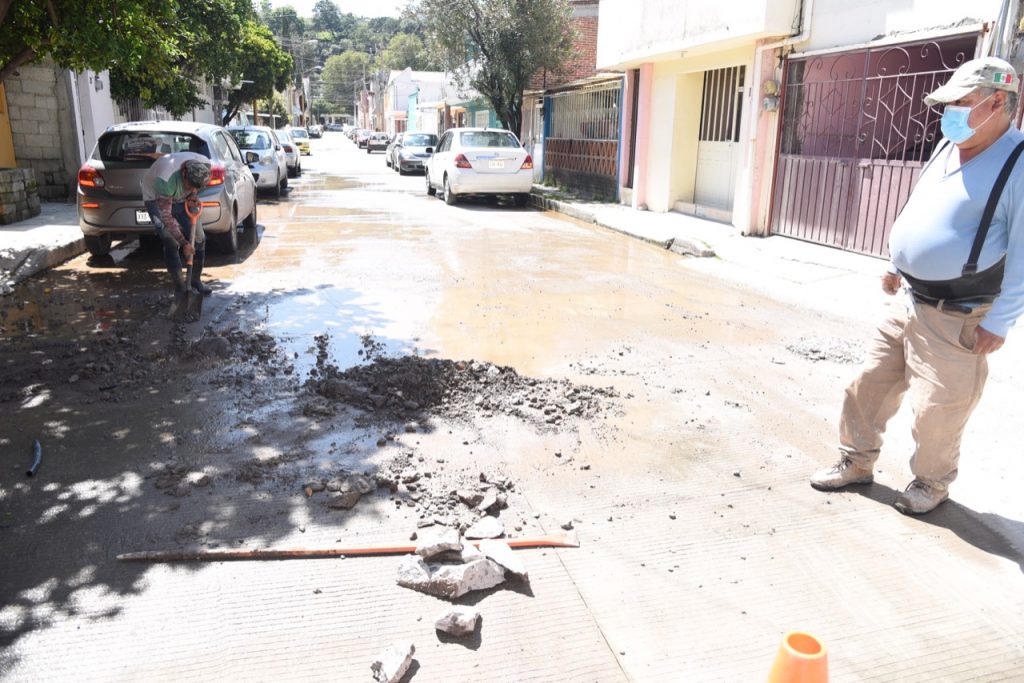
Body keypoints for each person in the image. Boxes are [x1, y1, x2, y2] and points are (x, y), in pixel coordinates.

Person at [809, 56, 1024, 514]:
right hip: (908, 299)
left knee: (938, 411)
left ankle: (931, 483)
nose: (951, 113)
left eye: (962, 103)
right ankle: (856, 462)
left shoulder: (1018, 165)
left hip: (958, 316)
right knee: (867, 386)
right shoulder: (950, 145)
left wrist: (1001, 322)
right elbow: (922, 207)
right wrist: (897, 262)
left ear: (998, 103)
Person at [141, 151, 214, 297]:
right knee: (171, 241)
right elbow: (166, 217)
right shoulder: (165, 181)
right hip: (156, 199)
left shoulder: (204, 165)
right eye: (189, 185)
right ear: (184, 174)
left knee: (199, 238)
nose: (190, 188)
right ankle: (180, 285)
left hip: (181, 199)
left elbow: (197, 186)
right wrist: (184, 243)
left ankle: (195, 280)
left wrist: (193, 195)